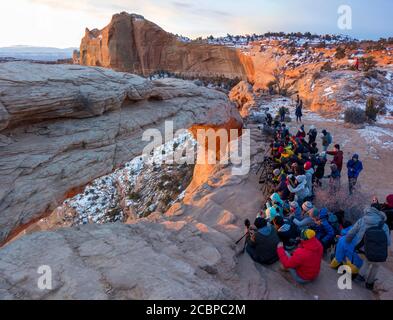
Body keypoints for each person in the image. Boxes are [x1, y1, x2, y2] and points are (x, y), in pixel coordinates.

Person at [345, 206, 391, 290]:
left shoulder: (362, 220)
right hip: (378, 251)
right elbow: (388, 242)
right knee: (376, 265)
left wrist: (347, 240)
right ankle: (369, 283)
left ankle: (360, 276)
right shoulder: (384, 225)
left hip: (362, 249)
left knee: (367, 261)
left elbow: (351, 232)